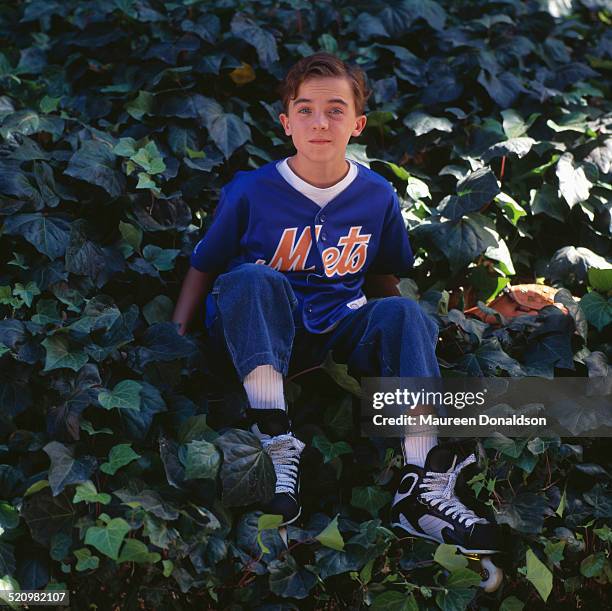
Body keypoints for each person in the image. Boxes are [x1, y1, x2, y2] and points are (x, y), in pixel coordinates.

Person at [172, 52, 501, 557]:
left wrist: (407, 341)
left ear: (358, 123)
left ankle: (420, 484)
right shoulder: (251, 191)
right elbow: (205, 264)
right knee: (253, 277)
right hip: (262, 327)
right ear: (285, 123)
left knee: (407, 310)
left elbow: (382, 275)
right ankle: (274, 442)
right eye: (304, 110)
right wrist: (174, 336)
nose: (319, 122)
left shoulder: (376, 195)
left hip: (340, 324)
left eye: (335, 109)